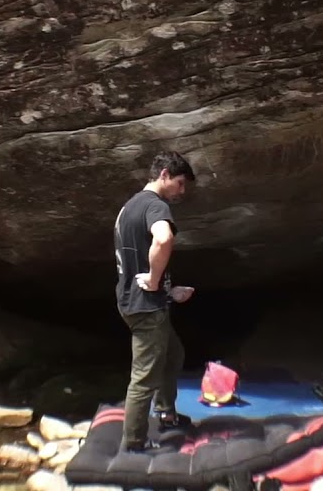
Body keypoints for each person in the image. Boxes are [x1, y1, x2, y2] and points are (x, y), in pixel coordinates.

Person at [113, 150, 197, 451]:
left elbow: (133, 257)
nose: (181, 191)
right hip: (145, 308)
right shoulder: (153, 205)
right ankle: (134, 442)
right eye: (179, 183)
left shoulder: (129, 207)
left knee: (173, 355)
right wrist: (152, 279)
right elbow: (163, 239)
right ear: (163, 175)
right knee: (145, 377)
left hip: (138, 300)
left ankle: (166, 413)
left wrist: (167, 289)